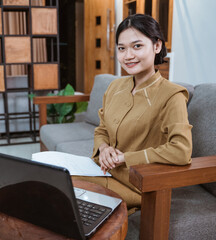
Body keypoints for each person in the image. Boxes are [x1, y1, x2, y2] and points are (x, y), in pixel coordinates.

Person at [73, 14, 192, 211]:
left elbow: (181, 150)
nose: (128, 56)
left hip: (137, 185)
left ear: (157, 46)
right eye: (122, 48)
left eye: (137, 46)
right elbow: (102, 129)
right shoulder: (115, 87)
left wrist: (125, 158)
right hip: (104, 171)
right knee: (54, 179)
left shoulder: (172, 95)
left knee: (66, 192)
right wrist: (104, 149)